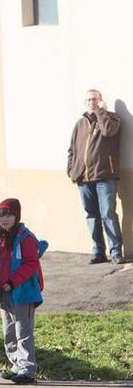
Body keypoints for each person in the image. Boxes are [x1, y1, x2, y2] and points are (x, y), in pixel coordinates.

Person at [0, 198, 46, 385]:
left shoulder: (26, 238)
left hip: (23, 292)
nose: (5, 219)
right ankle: (16, 364)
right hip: (4, 292)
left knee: (23, 331)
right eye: (1, 215)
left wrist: (13, 281)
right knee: (9, 331)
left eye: (9, 214)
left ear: (17, 216)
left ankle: (27, 369)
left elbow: (31, 263)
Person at [67, 89, 124, 264]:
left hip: (105, 176)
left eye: (95, 100)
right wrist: (72, 170)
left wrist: (101, 112)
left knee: (108, 214)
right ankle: (99, 252)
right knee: (92, 215)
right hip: (84, 179)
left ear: (100, 101)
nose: (91, 103)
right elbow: (72, 150)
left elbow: (108, 132)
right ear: (85, 103)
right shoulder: (80, 124)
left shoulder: (112, 119)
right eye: (89, 100)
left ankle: (116, 252)